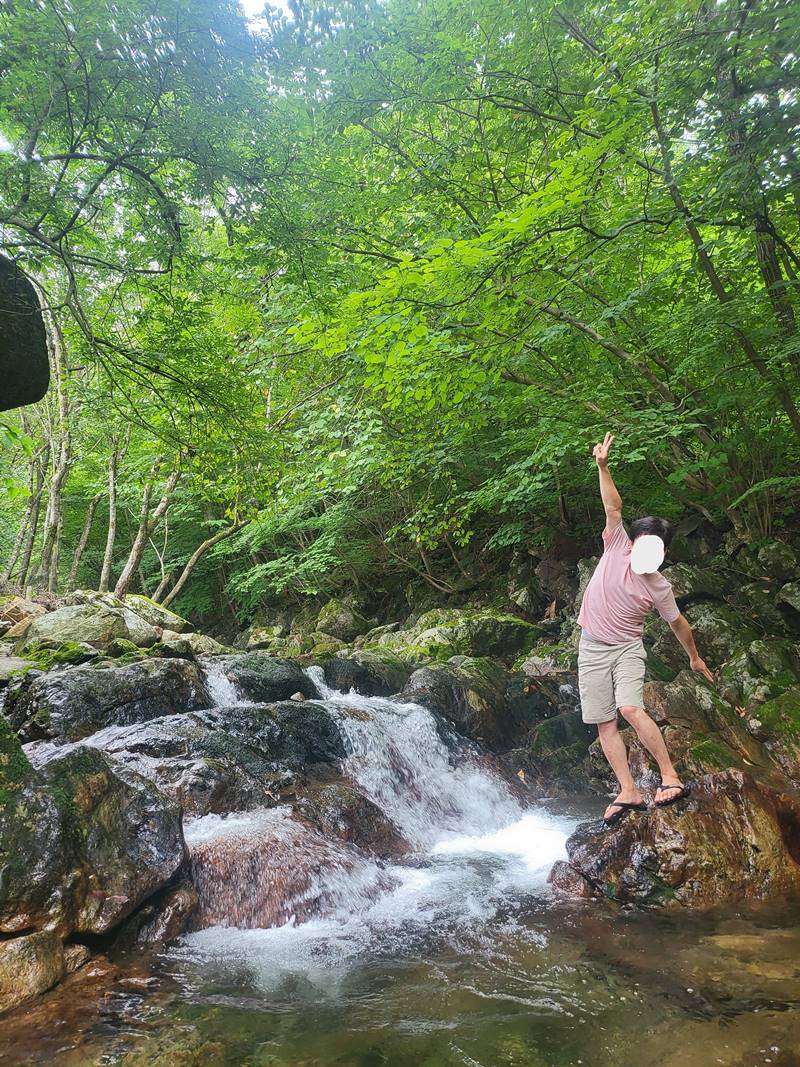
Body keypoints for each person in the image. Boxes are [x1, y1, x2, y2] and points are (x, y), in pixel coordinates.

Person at [577, 432, 714, 826]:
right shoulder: (616, 544)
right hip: (590, 646)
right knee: (604, 723)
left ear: (661, 551)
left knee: (630, 708)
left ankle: (670, 775)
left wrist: (694, 657)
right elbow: (613, 507)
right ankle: (628, 791)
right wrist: (602, 466)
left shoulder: (659, 585)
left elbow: (678, 623)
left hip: (626, 648)